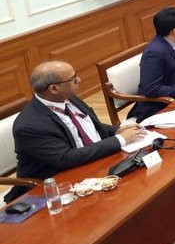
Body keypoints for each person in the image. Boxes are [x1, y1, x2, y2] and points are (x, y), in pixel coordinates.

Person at [12, 61, 145, 182]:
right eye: (73, 79)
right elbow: (65, 158)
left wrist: (117, 130)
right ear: (54, 89)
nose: (79, 80)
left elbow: (90, 126)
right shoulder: (29, 126)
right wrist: (120, 139)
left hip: (95, 161)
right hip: (57, 181)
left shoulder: (68, 97)